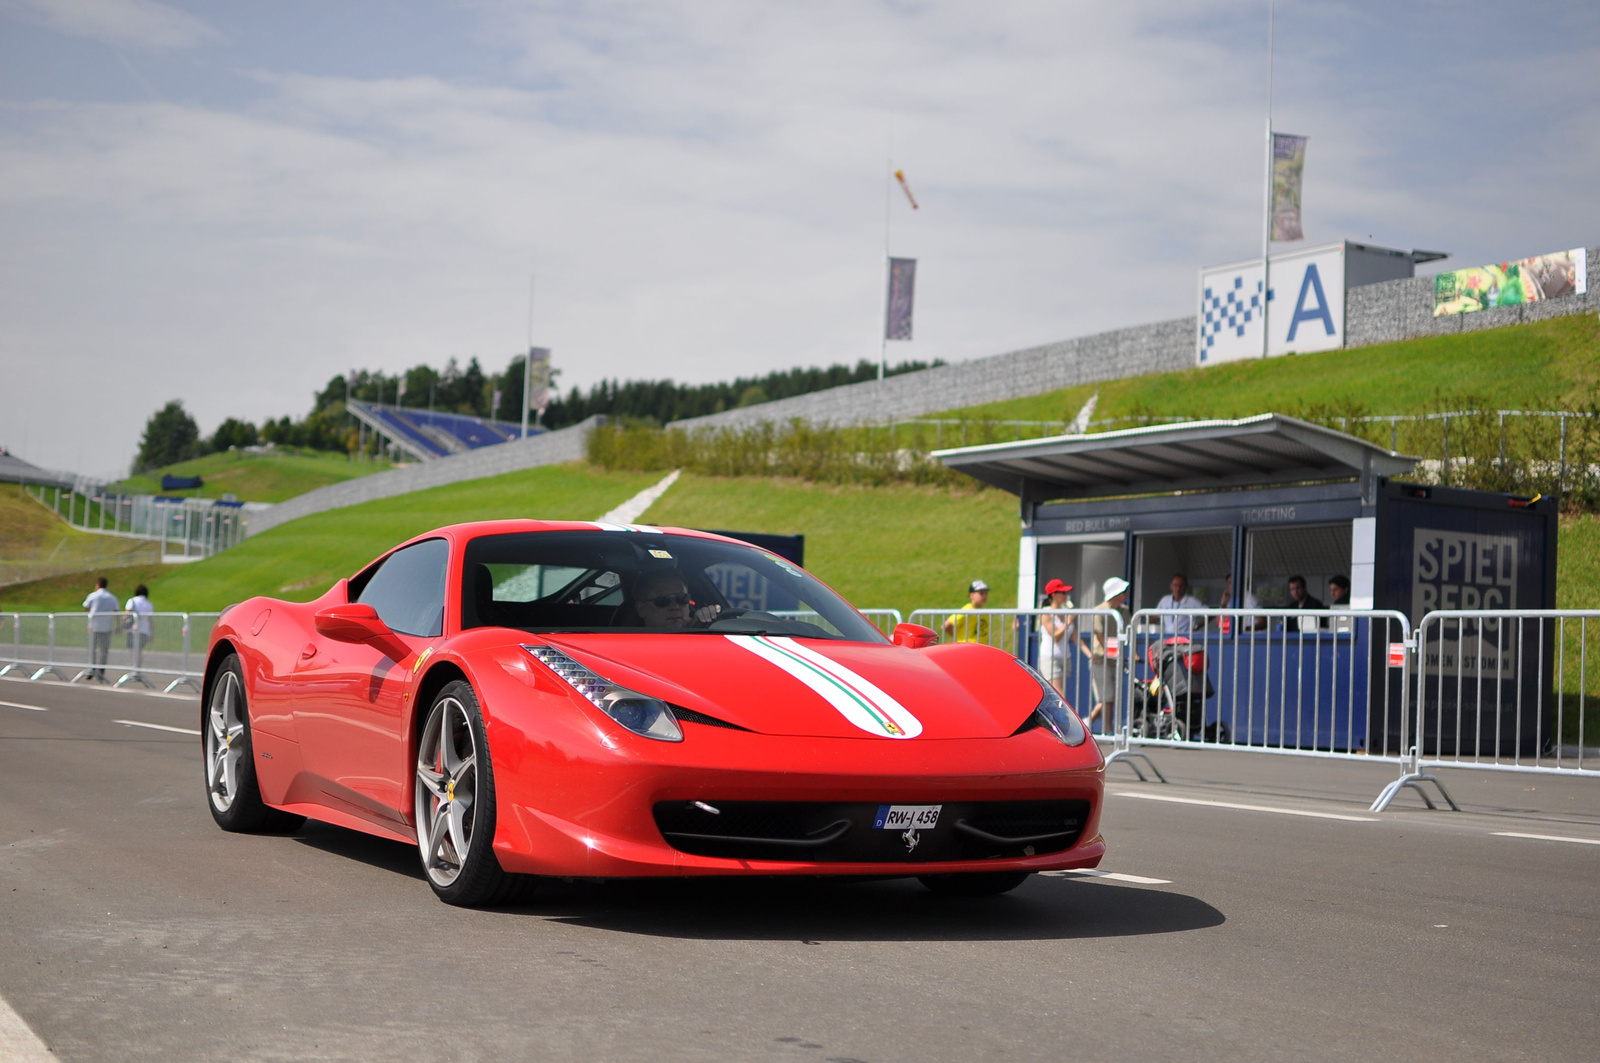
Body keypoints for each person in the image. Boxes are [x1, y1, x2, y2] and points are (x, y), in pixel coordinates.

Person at [1084, 576, 1130, 731]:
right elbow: (1099, 633)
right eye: (1123, 591)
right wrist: (1110, 651)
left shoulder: (1124, 611)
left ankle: (1087, 722)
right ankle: (1108, 730)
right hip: (1101, 659)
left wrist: (1132, 652)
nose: (1126, 594)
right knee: (1107, 696)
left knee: (1110, 697)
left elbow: (1129, 632)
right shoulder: (1099, 610)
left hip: (1115, 659)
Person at [629, 572, 721, 629]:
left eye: (682, 599)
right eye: (663, 600)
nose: (675, 606)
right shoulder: (628, 647)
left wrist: (705, 626)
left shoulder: (701, 630)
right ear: (641, 609)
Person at [1037, 579, 1075, 695]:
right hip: (1050, 657)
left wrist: (1089, 654)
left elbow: (1074, 636)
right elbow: (1055, 637)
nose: (1066, 596)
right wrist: (1067, 622)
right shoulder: (1046, 612)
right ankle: (1065, 714)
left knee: (1055, 696)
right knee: (1060, 696)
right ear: (1053, 595)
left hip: (1065, 657)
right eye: (1063, 593)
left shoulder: (1065, 611)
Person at [82, 576, 118, 681]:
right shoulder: (112, 597)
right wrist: (118, 624)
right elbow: (116, 611)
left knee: (92, 649)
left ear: (97, 585)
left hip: (94, 625)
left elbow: (85, 607)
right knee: (104, 650)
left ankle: (91, 668)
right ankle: (101, 669)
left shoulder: (93, 595)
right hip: (106, 626)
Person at [943, 580, 991, 644]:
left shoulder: (985, 612)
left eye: (986, 593)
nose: (984, 596)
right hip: (968, 648)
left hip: (982, 648)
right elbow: (946, 626)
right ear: (971, 595)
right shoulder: (967, 610)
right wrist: (959, 639)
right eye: (981, 593)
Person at [1157, 573, 1204, 637]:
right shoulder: (1165, 600)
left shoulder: (1192, 601)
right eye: (1175, 585)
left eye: (1181, 585)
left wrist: (1196, 627)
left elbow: (1210, 614)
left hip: (1184, 638)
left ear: (1185, 587)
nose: (1178, 588)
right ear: (1171, 586)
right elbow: (1155, 616)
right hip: (1167, 637)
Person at [124, 584, 155, 675]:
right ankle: (138, 669)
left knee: (133, 650)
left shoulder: (132, 601)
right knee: (139, 651)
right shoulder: (149, 604)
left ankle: (134, 669)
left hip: (133, 629)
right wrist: (152, 633)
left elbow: (126, 615)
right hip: (144, 630)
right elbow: (151, 620)